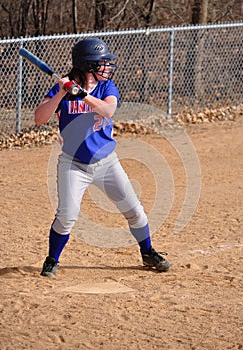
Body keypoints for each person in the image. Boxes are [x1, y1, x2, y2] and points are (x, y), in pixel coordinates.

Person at [35, 37, 172, 277]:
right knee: (67, 216)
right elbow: (39, 117)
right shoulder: (63, 88)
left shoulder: (106, 87)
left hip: (106, 162)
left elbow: (108, 110)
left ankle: (148, 251)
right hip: (73, 164)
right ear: (88, 65)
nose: (107, 67)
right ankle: (52, 259)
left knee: (135, 210)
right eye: (101, 63)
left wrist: (82, 94)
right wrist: (60, 93)